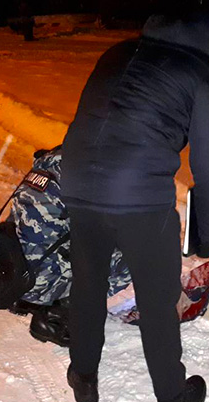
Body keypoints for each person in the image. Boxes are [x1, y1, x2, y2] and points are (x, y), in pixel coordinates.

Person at [59, 13, 209, 402]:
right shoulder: (202, 74)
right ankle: (172, 401)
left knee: (88, 281)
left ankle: (83, 377)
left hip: (78, 179)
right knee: (157, 299)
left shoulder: (118, 52)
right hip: (139, 195)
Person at [8, 146, 131, 347]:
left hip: (10, 269)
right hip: (36, 282)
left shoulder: (58, 156)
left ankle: (26, 298)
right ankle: (59, 313)